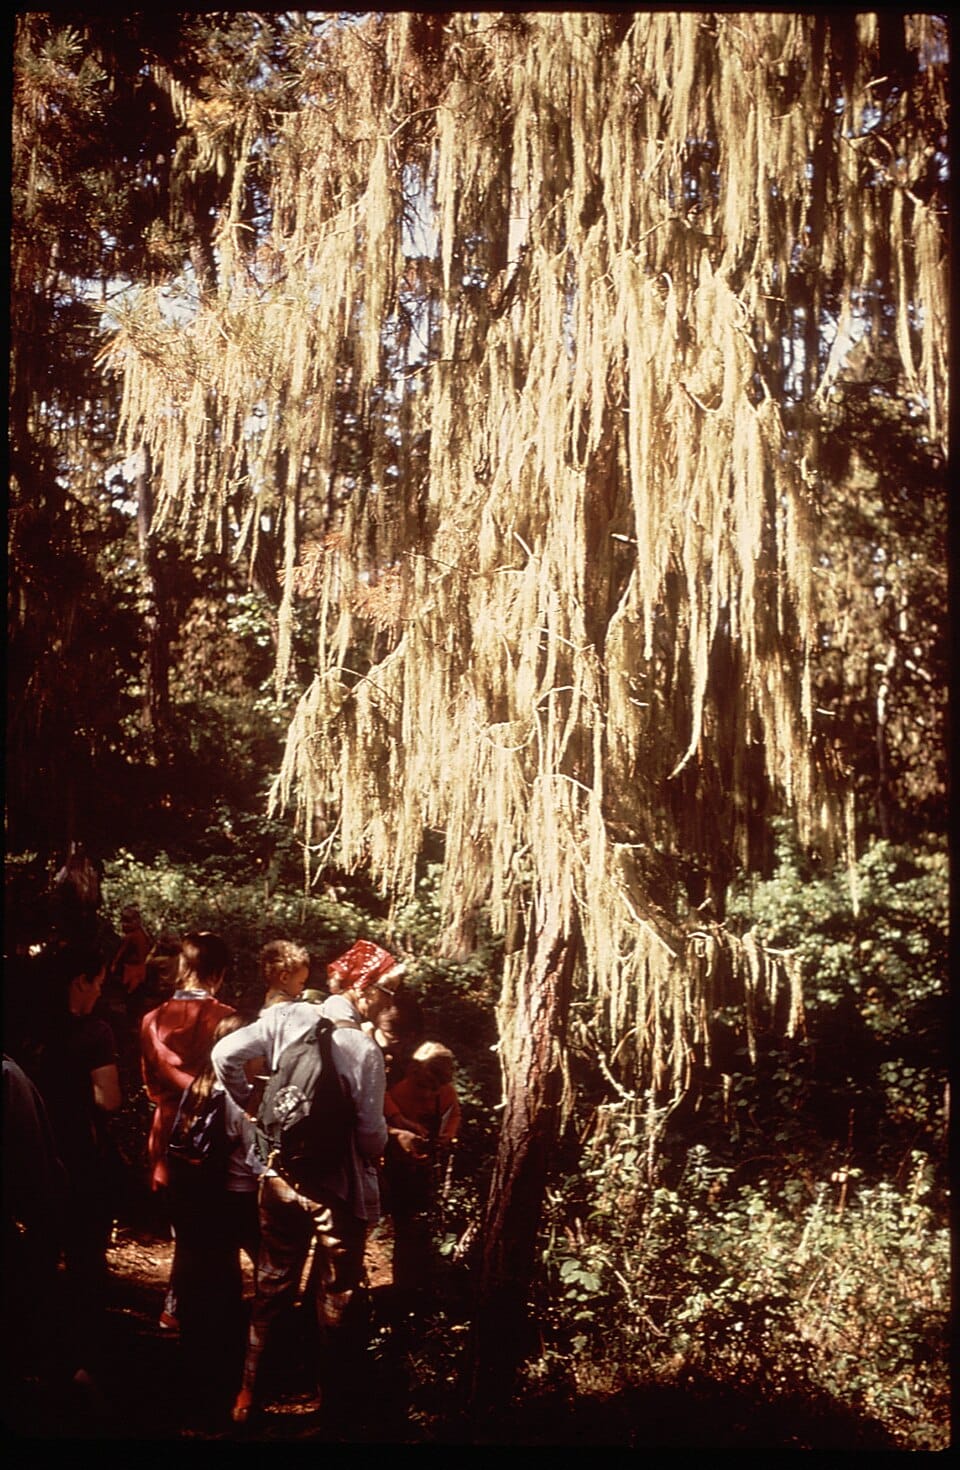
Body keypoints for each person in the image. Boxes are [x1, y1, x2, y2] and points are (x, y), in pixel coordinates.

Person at [212, 938, 404, 1426]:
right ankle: (329, 1402)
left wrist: (251, 1110)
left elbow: (224, 1054)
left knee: (272, 1285)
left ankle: (248, 1394)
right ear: (366, 990)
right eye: (389, 992)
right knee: (335, 1294)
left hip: (279, 1176)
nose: (392, 1003)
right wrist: (384, 1145)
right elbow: (369, 1137)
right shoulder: (364, 1049)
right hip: (338, 1192)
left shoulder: (286, 1018)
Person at [29, 943, 122, 1383]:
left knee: (36, 1255)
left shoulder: (27, 1027)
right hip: (78, 1157)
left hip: (30, 1154)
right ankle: (86, 1360)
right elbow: (108, 1099)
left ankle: (34, 1353)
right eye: (99, 983)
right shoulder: (95, 1032)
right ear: (80, 982)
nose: (100, 993)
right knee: (86, 1261)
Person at [166, 1013, 264, 1424]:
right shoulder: (240, 1098)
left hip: (199, 1203)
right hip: (236, 1202)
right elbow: (258, 1160)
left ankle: (192, 1386)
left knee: (203, 1293)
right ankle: (226, 1391)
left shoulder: (198, 1087)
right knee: (239, 1294)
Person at [140, 930, 234, 1330]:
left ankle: (179, 1307)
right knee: (211, 1225)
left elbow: (148, 1084)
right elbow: (234, 1082)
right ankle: (187, 1310)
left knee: (185, 1225)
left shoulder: (150, 1020)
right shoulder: (225, 1018)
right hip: (211, 1132)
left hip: (165, 1130)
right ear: (220, 972)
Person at [383, 1041, 461, 1297]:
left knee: (415, 1228)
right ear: (412, 1074)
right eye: (422, 1086)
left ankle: (410, 1285)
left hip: (421, 1170)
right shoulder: (396, 1092)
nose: (428, 1094)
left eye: (434, 1088)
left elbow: (453, 1115)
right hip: (387, 1167)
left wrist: (446, 1136)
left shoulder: (446, 1093)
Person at [259, 938, 311, 1009]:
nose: (302, 990)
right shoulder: (286, 1008)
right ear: (284, 978)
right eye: (301, 983)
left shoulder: (267, 1005)